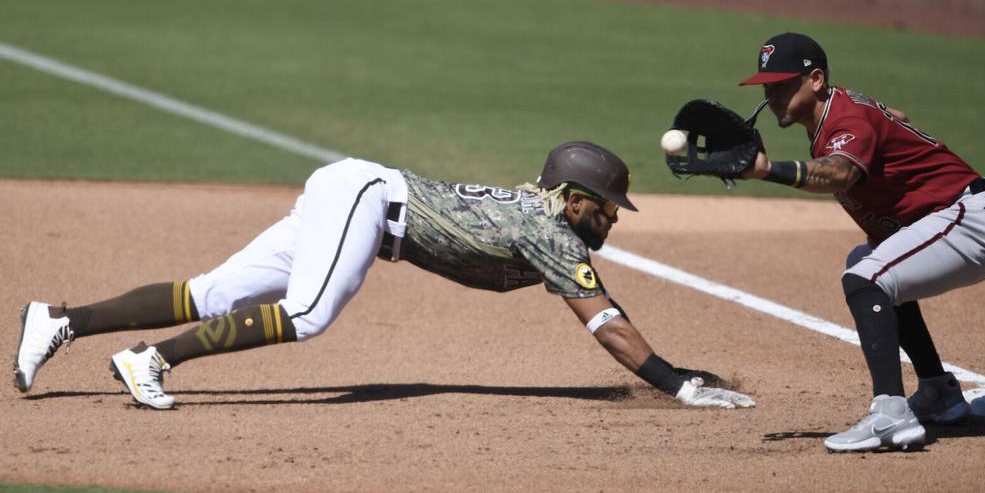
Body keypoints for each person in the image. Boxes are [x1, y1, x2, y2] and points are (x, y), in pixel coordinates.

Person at [14, 141, 753, 411]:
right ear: (577, 199)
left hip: (357, 192)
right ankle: (150, 359)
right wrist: (673, 383)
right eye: (609, 208)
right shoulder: (547, 229)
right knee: (308, 314)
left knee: (216, 294)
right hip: (370, 200)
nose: (613, 220)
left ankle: (60, 320)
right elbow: (602, 317)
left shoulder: (543, 219)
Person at [735, 33, 985, 452]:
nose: (772, 94)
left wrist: (768, 171)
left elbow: (838, 175)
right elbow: (894, 114)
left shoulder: (845, 120)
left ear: (815, 79)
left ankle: (890, 414)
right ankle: (938, 392)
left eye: (782, 84)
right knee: (867, 260)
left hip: (969, 222)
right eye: (767, 86)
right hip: (953, 219)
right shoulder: (836, 111)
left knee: (865, 278)